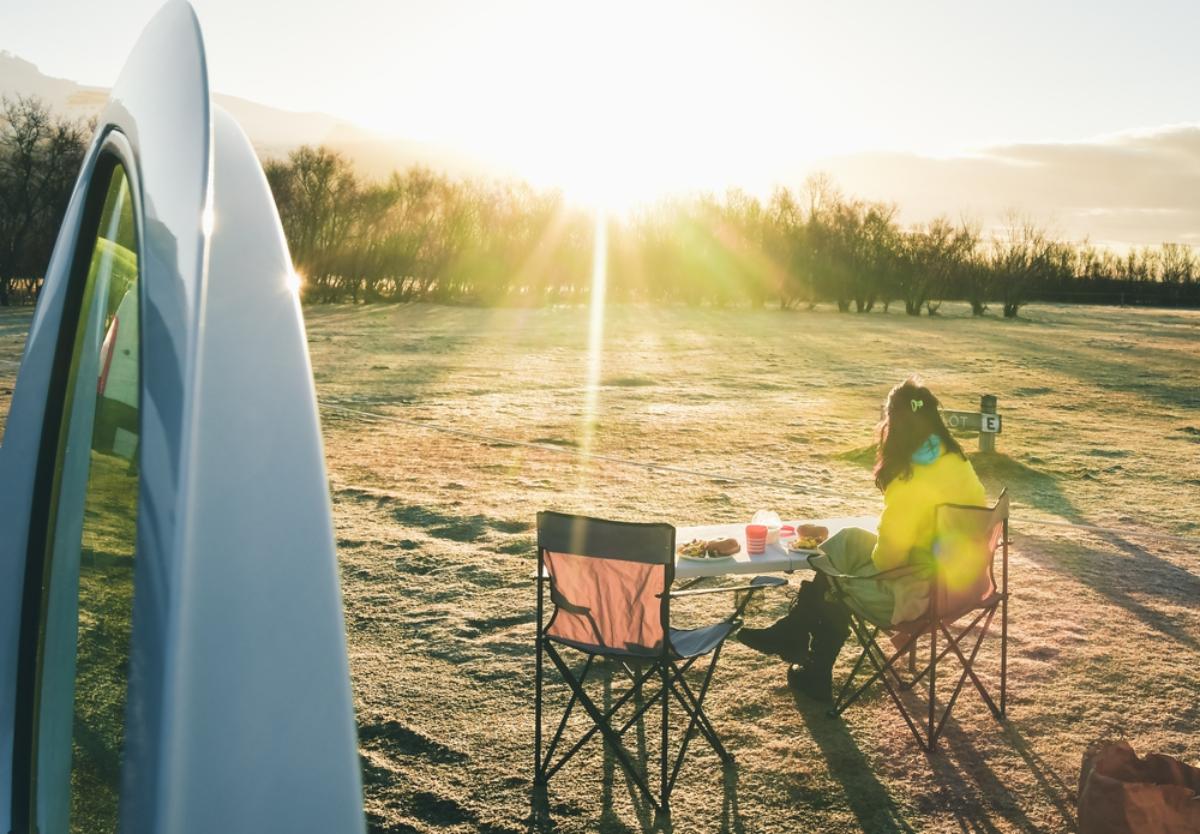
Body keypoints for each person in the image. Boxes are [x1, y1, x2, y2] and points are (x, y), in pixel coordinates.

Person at [737, 377, 987, 701]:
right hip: (967, 582)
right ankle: (797, 640)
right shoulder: (956, 461)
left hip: (920, 594)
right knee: (848, 542)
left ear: (894, 427)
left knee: (835, 583)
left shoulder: (910, 480)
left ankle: (802, 647)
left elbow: (886, 561)